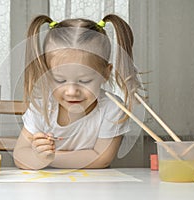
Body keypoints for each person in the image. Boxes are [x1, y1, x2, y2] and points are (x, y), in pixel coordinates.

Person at [13, 14, 144, 170]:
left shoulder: (112, 109)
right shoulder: (42, 108)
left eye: (84, 81)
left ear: (105, 73)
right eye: (60, 80)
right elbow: (20, 155)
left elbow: (101, 158)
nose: (71, 91)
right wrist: (35, 156)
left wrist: (48, 158)